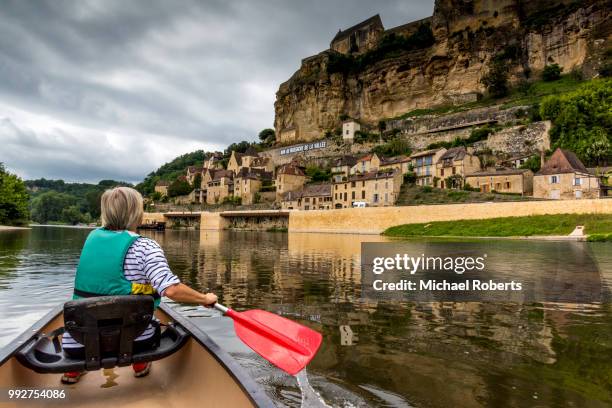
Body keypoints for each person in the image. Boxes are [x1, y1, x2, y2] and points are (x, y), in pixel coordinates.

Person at [61, 187, 217, 384]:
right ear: (137, 213)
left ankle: (73, 370)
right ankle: (140, 364)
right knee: (148, 320)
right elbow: (171, 290)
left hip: (79, 342)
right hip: (135, 342)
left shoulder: (91, 238)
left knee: (84, 320)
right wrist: (205, 299)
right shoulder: (145, 247)